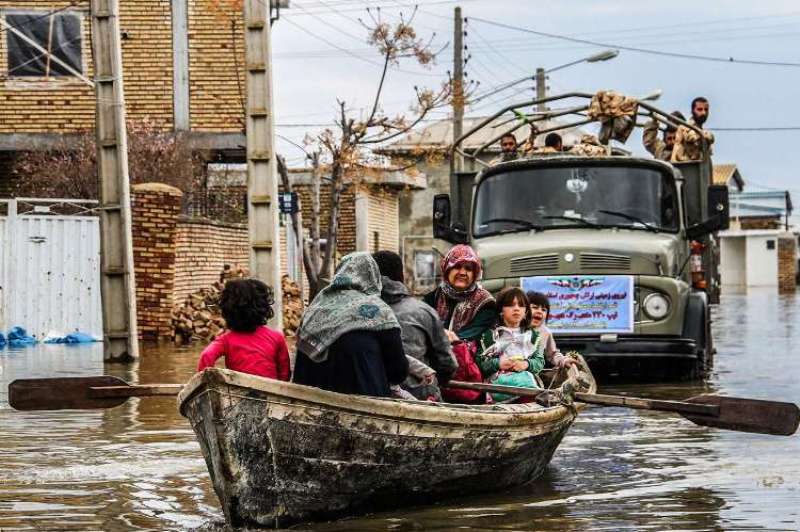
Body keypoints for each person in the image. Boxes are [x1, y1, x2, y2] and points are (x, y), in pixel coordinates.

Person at [293, 252, 408, 397]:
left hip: (313, 404)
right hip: (364, 406)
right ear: (373, 276)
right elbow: (398, 371)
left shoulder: (315, 308)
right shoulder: (378, 311)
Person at [373, 250, 457, 401]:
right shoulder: (423, 312)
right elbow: (447, 364)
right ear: (402, 276)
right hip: (421, 398)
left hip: (374, 395)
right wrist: (433, 383)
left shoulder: (360, 312)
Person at [424, 244, 496, 402]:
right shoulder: (432, 297)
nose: (463, 272)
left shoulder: (486, 303)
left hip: (471, 373)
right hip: (434, 368)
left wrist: (444, 338)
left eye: (469, 269)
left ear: (475, 273)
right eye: (457, 267)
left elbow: (471, 333)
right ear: (447, 269)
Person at [197, 279, 290, 381]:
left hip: (239, 392)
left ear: (228, 311)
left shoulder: (226, 340)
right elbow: (284, 374)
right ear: (263, 307)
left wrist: (205, 384)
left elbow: (206, 356)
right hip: (270, 392)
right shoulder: (276, 337)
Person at [476, 288, 543, 402]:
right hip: (497, 386)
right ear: (501, 310)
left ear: (526, 311)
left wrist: (526, 364)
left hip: (526, 383)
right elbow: (480, 362)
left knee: (527, 384)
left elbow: (539, 361)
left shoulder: (532, 336)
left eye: (521, 305)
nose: (516, 309)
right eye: (511, 305)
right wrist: (499, 364)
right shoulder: (488, 336)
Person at [526, 291, 577, 370]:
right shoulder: (514, 328)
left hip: (530, 374)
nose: (539, 311)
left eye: (543, 310)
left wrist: (563, 360)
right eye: (535, 307)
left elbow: (553, 354)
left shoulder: (545, 332)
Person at [672, 96, 715, 162]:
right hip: (687, 169)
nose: (704, 113)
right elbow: (675, 156)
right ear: (692, 111)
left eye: (706, 110)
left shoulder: (703, 131)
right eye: (699, 109)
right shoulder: (685, 128)